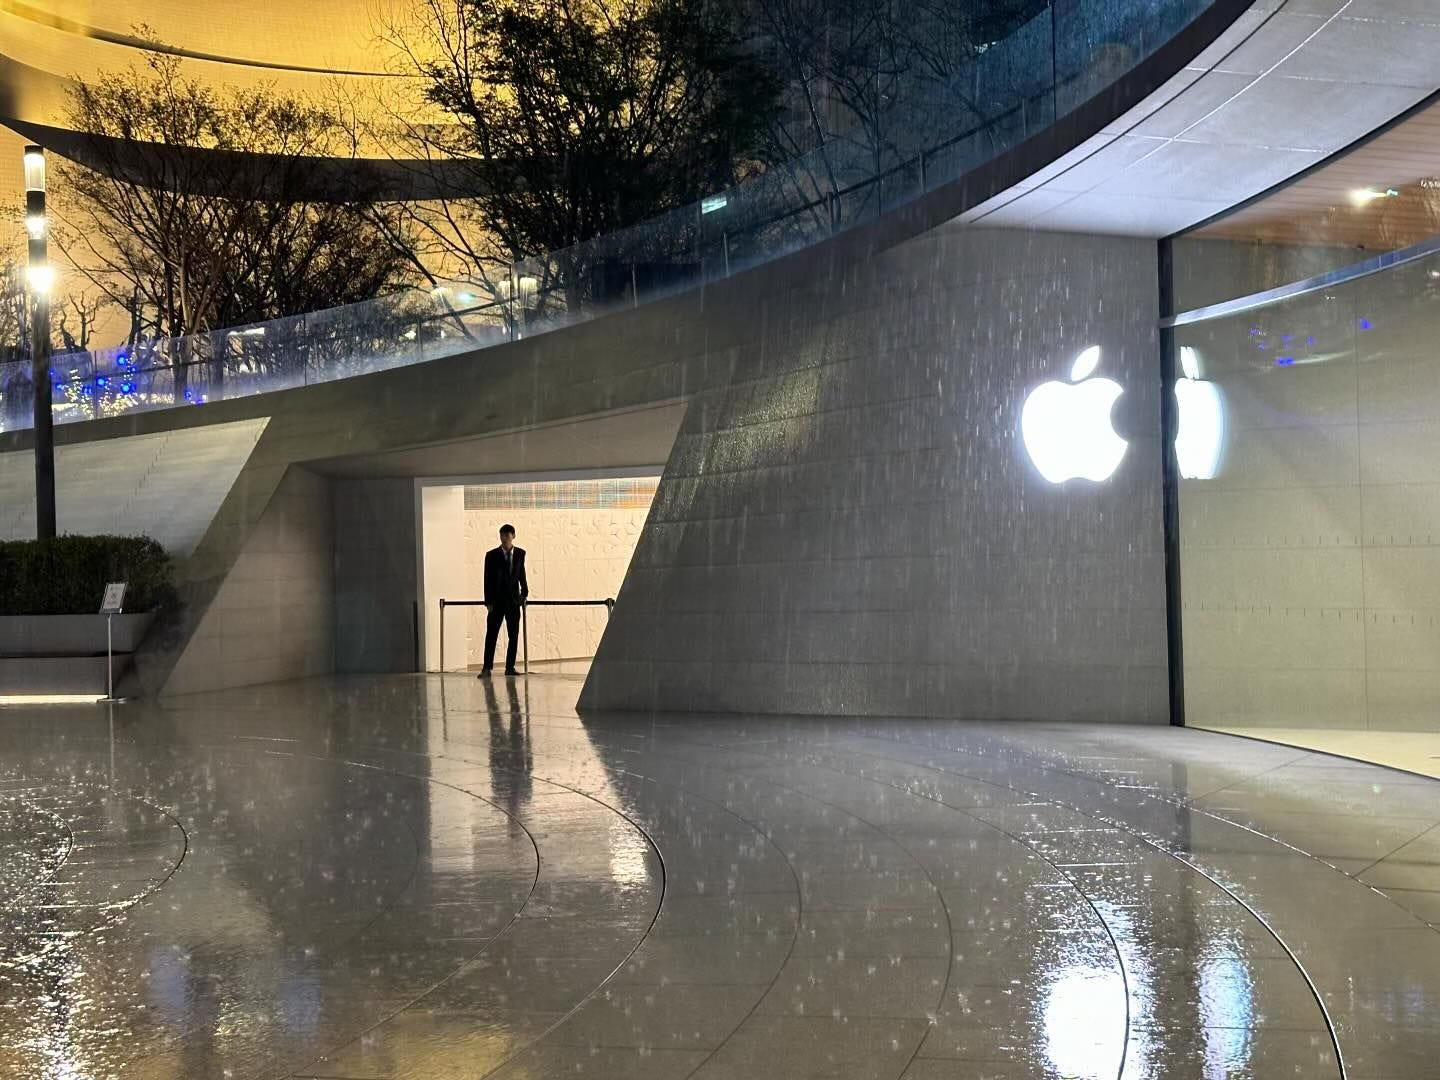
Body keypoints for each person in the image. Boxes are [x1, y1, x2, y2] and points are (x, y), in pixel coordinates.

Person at [480, 523, 528, 677]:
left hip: (513, 602)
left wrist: (524, 593)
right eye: (502, 535)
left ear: (513, 536)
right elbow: (487, 579)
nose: (504, 538)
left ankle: (510, 667)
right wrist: (488, 602)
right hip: (496, 602)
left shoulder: (520, 553)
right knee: (491, 635)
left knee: (513, 635)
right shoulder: (492, 555)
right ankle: (487, 668)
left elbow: (521, 574)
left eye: (507, 535)